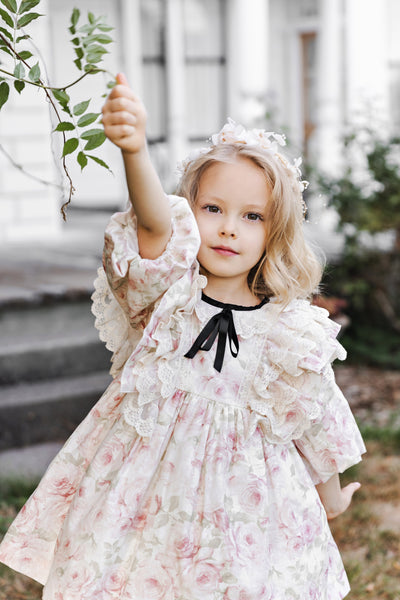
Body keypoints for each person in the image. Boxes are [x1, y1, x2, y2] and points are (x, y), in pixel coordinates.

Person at [0, 73, 366, 599]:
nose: (229, 228)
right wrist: (134, 150)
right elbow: (152, 228)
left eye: (252, 216)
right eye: (213, 208)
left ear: (274, 231)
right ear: (190, 213)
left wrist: (330, 498)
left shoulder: (288, 331)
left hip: (246, 508)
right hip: (151, 491)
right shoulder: (169, 294)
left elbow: (313, 417)